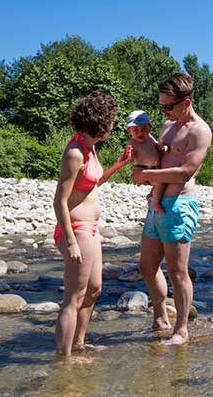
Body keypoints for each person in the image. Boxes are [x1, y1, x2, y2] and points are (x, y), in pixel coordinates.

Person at [132, 73, 212, 346]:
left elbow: (185, 173)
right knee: (146, 266)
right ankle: (160, 316)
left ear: (186, 102)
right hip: (156, 204)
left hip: (179, 205)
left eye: (168, 106)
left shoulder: (199, 131)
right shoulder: (168, 126)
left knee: (178, 272)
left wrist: (147, 177)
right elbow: (156, 158)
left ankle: (181, 330)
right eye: (161, 105)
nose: (164, 111)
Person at [53, 90, 132, 358]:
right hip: (77, 229)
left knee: (95, 289)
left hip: (92, 228)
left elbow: (92, 183)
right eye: (111, 120)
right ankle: (63, 360)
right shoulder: (75, 152)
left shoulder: (91, 146)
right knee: (73, 297)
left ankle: (79, 343)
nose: (113, 125)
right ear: (101, 121)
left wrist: (119, 165)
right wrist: (71, 241)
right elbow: (60, 201)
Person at [125, 110, 168, 214]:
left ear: (149, 128)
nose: (140, 133)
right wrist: (129, 155)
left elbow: (156, 145)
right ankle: (155, 204)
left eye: (143, 129)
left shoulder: (150, 138)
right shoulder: (132, 143)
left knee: (164, 182)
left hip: (156, 168)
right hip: (143, 168)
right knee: (159, 183)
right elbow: (130, 159)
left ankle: (151, 195)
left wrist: (162, 147)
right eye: (136, 130)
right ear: (129, 131)